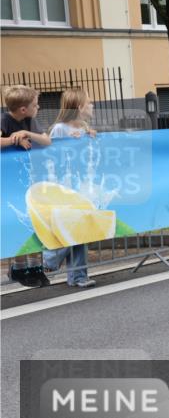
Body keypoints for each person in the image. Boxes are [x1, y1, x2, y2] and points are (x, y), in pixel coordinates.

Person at [42, 88, 98, 288]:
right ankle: (49, 260)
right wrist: (70, 142)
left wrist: (88, 137)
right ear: (79, 107)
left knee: (80, 228)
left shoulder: (84, 128)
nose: (92, 105)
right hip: (63, 187)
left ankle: (78, 276)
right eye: (89, 103)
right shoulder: (59, 129)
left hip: (79, 187)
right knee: (73, 227)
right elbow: (53, 156)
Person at [1, 85, 52, 287]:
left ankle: (35, 267)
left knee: (31, 222)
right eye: (35, 104)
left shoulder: (29, 121)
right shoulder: (4, 120)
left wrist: (25, 133)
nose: (38, 107)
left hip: (27, 180)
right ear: (23, 108)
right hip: (7, 182)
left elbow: (46, 141)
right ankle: (18, 268)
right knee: (16, 223)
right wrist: (15, 140)